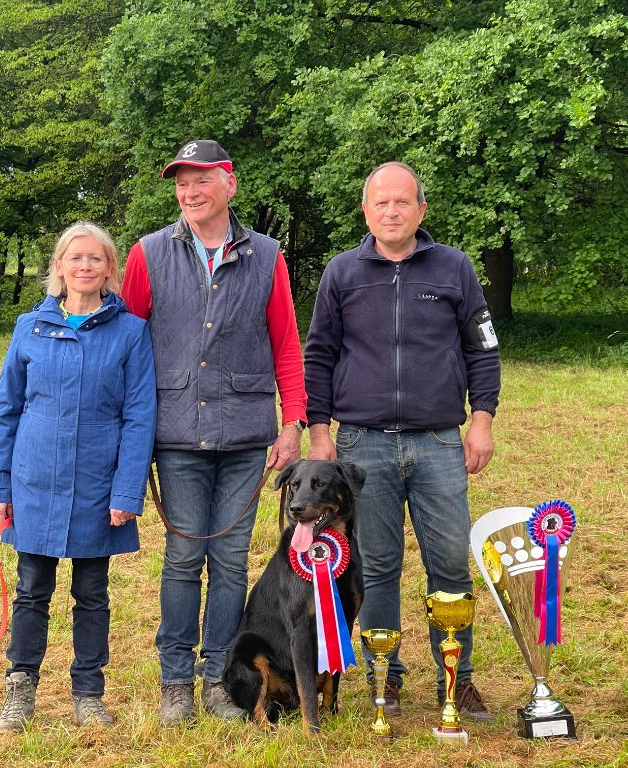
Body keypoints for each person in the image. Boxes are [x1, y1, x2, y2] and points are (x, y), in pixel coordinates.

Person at [304, 161, 501, 722]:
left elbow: (482, 349)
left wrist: (481, 420)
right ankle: (381, 678)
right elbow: (318, 355)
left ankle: (457, 680)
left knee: (449, 566)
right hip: (362, 447)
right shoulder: (342, 273)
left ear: (421, 209)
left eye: (402, 202)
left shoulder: (454, 269)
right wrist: (321, 433)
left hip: (439, 443)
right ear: (366, 211)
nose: (391, 212)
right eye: (380, 203)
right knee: (375, 564)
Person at [121, 140, 307, 726]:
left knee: (229, 562)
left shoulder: (268, 256)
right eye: (181, 182)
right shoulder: (147, 254)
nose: (189, 192)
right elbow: (125, 346)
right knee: (182, 558)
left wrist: (292, 423)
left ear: (229, 183)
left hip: (247, 437)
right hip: (175, 435)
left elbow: (286, 344)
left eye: (201, 179)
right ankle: (174, 679)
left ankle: (218, 679)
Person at [0, 222, 156, 733]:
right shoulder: (28, 329)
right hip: (33, 482)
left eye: (95, 259)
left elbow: (138, 416)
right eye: (74, 258)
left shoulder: (131, 332)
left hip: (97, 487)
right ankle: (20, 689)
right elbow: (6, 410)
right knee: (31, 590)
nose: (84, 266)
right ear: (58, 267)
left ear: (110, 269)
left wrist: (126, 491)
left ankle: (89, 693)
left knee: (92, 593)